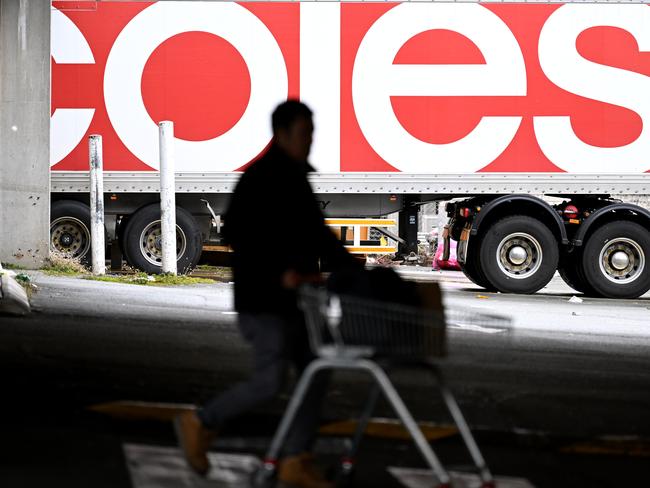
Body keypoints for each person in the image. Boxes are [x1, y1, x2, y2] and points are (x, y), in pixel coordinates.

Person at [174, 101, 358, 488]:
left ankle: (296, 459)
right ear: (284, 133)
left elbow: (318, 233)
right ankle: (201, 421)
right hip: (265, 301)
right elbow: (238, 233)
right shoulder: (262, 179)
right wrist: (281, 274)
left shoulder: (295, 178)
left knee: (316, 371)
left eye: (312, 132)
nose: (311, 139)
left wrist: (355, 269)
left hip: (298, 303)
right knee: (271, 380)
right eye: (306, 132)